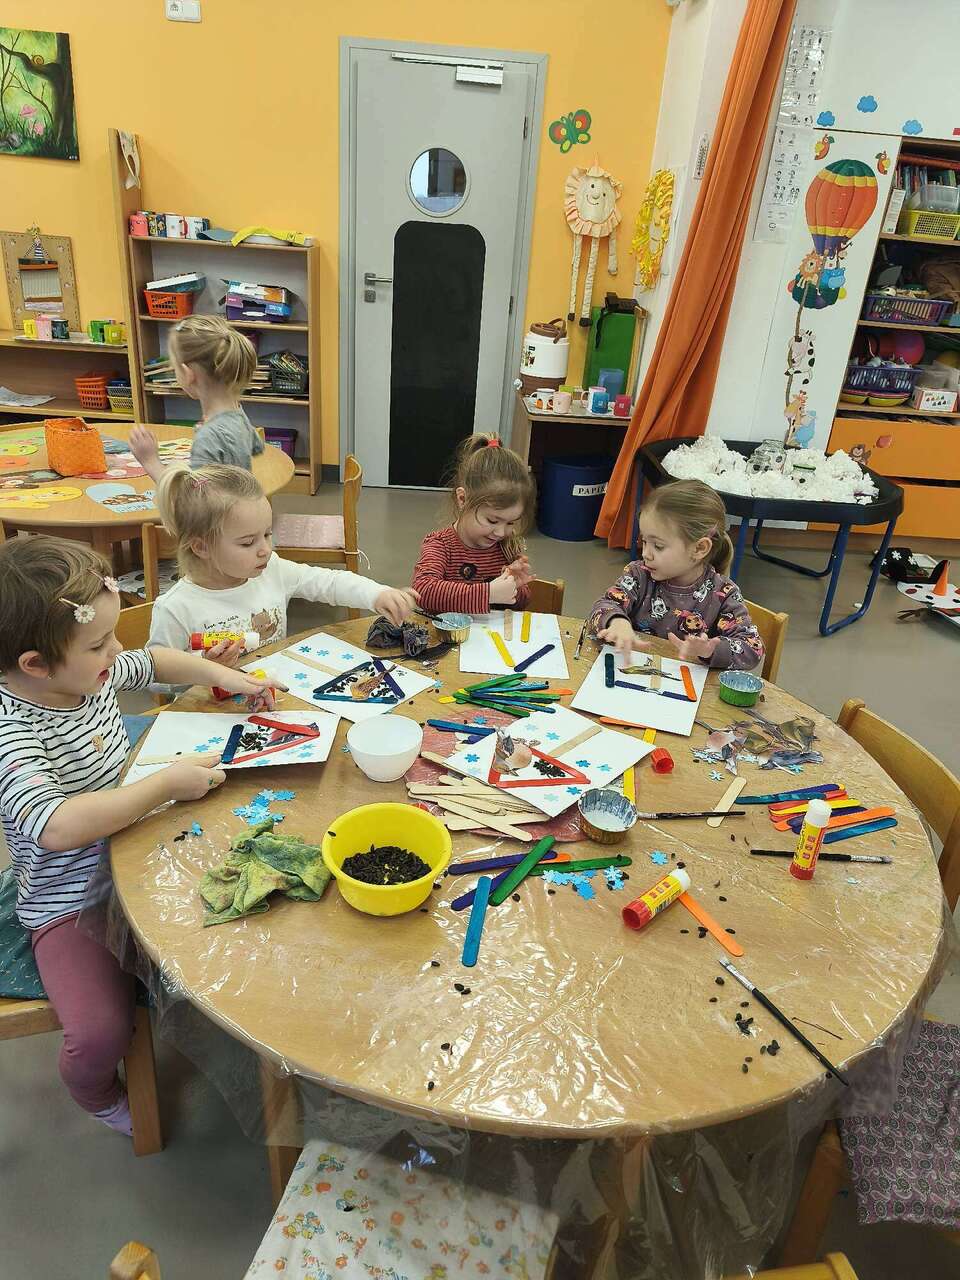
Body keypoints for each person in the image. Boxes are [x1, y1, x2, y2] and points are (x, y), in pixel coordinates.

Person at [0, 537, 275, 1136]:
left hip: (140, 848)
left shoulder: (87, 673)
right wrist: (164, 786)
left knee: (248, 930)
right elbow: (54, 825)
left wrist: (224, 675)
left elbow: (154, 661)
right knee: (100, 1030)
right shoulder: (12, 731)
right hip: (71, 899)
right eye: (99, 643)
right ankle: (95, 1094)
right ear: (35, 665)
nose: (115, 651)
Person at [148, 464, 416, 663]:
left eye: (267, 534)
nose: (265, 549)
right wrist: (204, 666)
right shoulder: (176, 608)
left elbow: (328, 582)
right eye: (247, 543)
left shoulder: (271, 570)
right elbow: (156, 677)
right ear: (201, 547)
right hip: (211, 714)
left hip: (274, 699)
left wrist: (377, 594)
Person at [588, 479, 764, 670]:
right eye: (644, 541)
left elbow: (753, 648)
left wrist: (711, 650)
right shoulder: (638, 575)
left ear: (699, 548)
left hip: (687, 683)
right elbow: (603, 606)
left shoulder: (724, 594)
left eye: (658, 546)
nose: (646, 553)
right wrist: (617, 621)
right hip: (632, 672)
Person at [128, 315, 263, 482]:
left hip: (221, 500)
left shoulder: (208, 437)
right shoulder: (238, 414)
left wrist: (150, 461)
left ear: (187, 374)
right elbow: (256, 447)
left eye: (174, 368)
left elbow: (190, 495)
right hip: (241, 496)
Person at [412, 436, 536, 615]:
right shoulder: (440, 545)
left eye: (510, 522)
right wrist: (488, 594)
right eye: (492, 521)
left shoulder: (507, 546)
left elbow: (519, 605)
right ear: (462, 499)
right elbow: (423, 591)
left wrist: (515, 586)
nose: (501, 532)